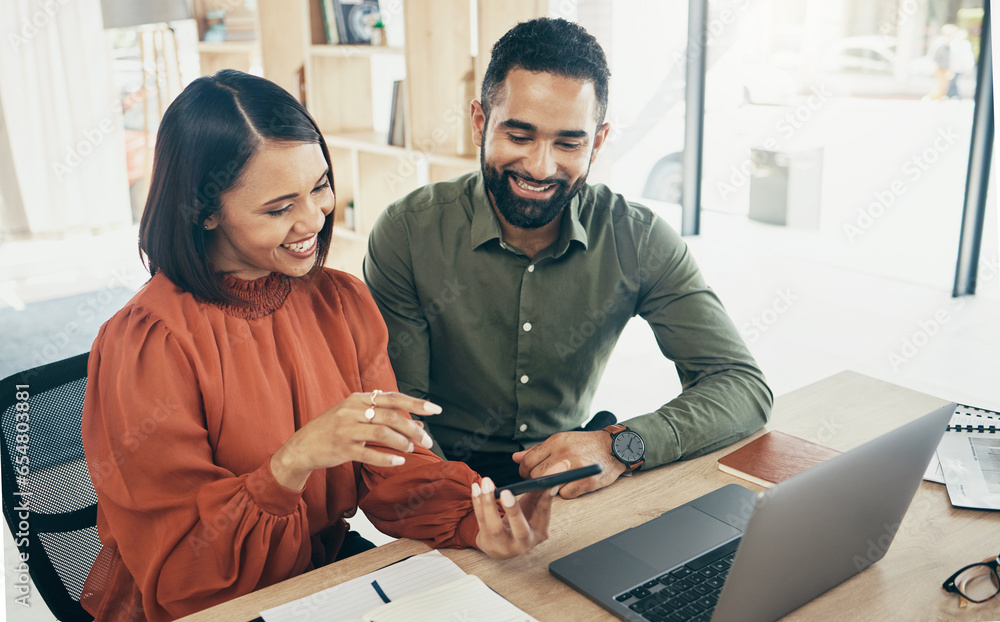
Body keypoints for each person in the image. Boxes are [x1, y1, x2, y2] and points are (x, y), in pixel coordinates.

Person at [81, 70, 560, 622]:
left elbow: (392, 468)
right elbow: (187, 575)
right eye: (278, 208)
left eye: (320, 186)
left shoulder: (339, 301)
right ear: (205, 210)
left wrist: (479, 519)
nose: (313, 219)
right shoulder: (147, 345)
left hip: (315, 584)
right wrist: (294, 461)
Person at [364, 18, 772, 499]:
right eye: (519, 136)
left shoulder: (637, 238)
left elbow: (742, 386)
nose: (541, 166)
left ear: (597, 142)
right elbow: (402, 419)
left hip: (574, 475)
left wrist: (618, 446)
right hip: (447, 479)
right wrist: (464, 512)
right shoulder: (408, 232)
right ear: (480, 123)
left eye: (569, 143)